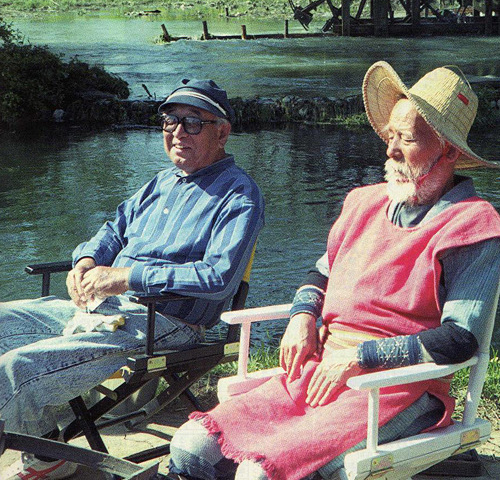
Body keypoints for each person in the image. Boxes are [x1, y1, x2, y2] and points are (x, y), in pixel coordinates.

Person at [170, 61, 500, 480]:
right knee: (190, 447)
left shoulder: (472, 225)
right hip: (318, 370)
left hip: (397, 389)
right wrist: (302, 316)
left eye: (408, 140)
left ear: (450, 152)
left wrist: (360, 358)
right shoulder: (363, 202)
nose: (390, 150)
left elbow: (460, 340)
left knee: (258, 474)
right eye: (390, 136)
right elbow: (320, 275)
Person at [1, 78, 264, 480]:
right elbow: (113, 229)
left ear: (223, 132)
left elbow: (218, 278)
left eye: (193, 123)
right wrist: (87, 260)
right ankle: (46, 447)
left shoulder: (239, 195)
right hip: (102, 305)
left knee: (19, 367)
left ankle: (40, 454)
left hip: (166, 322)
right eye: (170, 121)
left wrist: (126, 277)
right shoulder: (161, 182)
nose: (177, 132)